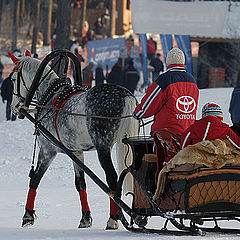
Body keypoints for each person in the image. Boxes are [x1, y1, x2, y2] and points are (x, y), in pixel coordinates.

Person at [133, 48, 199, 136]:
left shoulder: (165, 80)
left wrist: (137, 113)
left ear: (168, 62)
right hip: (188, 134)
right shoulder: (192, 80)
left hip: (166, 134)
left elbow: (150, 104)